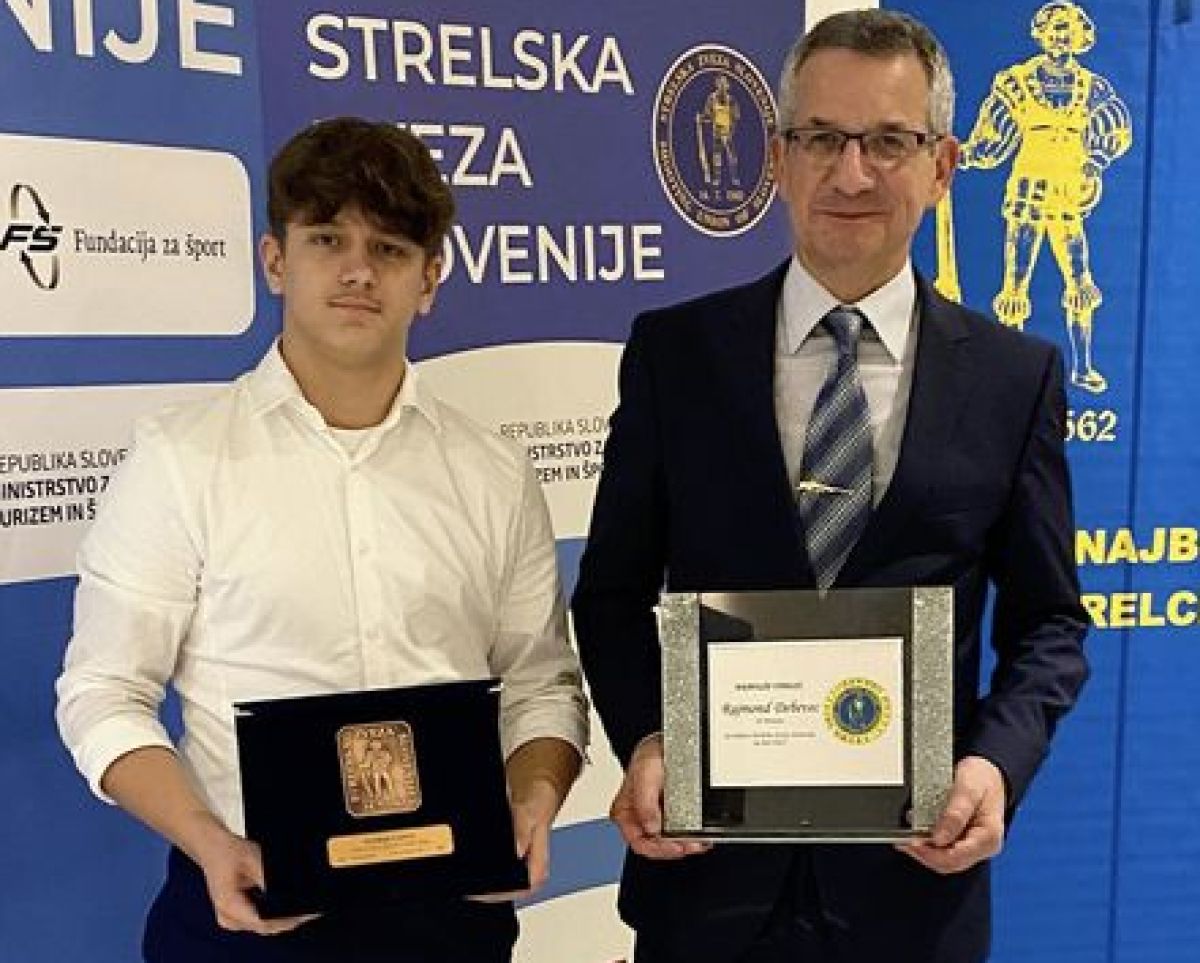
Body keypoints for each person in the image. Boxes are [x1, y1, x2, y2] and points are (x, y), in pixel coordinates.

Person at [572, 10, 1088, 963]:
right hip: (706, 887)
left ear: (943, 165)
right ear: (778, 158)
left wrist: (993, 765)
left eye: (889, 141)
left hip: (913, 891)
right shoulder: (676, 354)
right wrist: (647, 740)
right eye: (821, 138)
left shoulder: (1013, 379)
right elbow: (609, 591)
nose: (852, 174)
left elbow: (1050, 621)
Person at [56, 117, 588, 963]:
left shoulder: (492, 472)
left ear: (429, 279)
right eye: (328, 238)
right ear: (276, 260)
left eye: (390, 249)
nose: (358, 271)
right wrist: (207, 840)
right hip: (244, 912)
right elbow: (104, 691)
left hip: (449, 918)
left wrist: (531, 799)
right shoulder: (180, 459)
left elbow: (541, 680)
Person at [957, 0, 1132, 393]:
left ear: (1080, 36)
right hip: (1029, 190)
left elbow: (1115, 129)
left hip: (1070, 193)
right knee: (1015, 281)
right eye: (1054, 29)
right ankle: (1007, 371)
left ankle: (1082, 367)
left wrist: (1095, 163)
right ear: (1041, 34)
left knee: (1079, 278)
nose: (1060, 37)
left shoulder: (1092, 88)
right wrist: (966, 155)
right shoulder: (1018, 82)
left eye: (1067, 30)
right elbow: (994, 138)